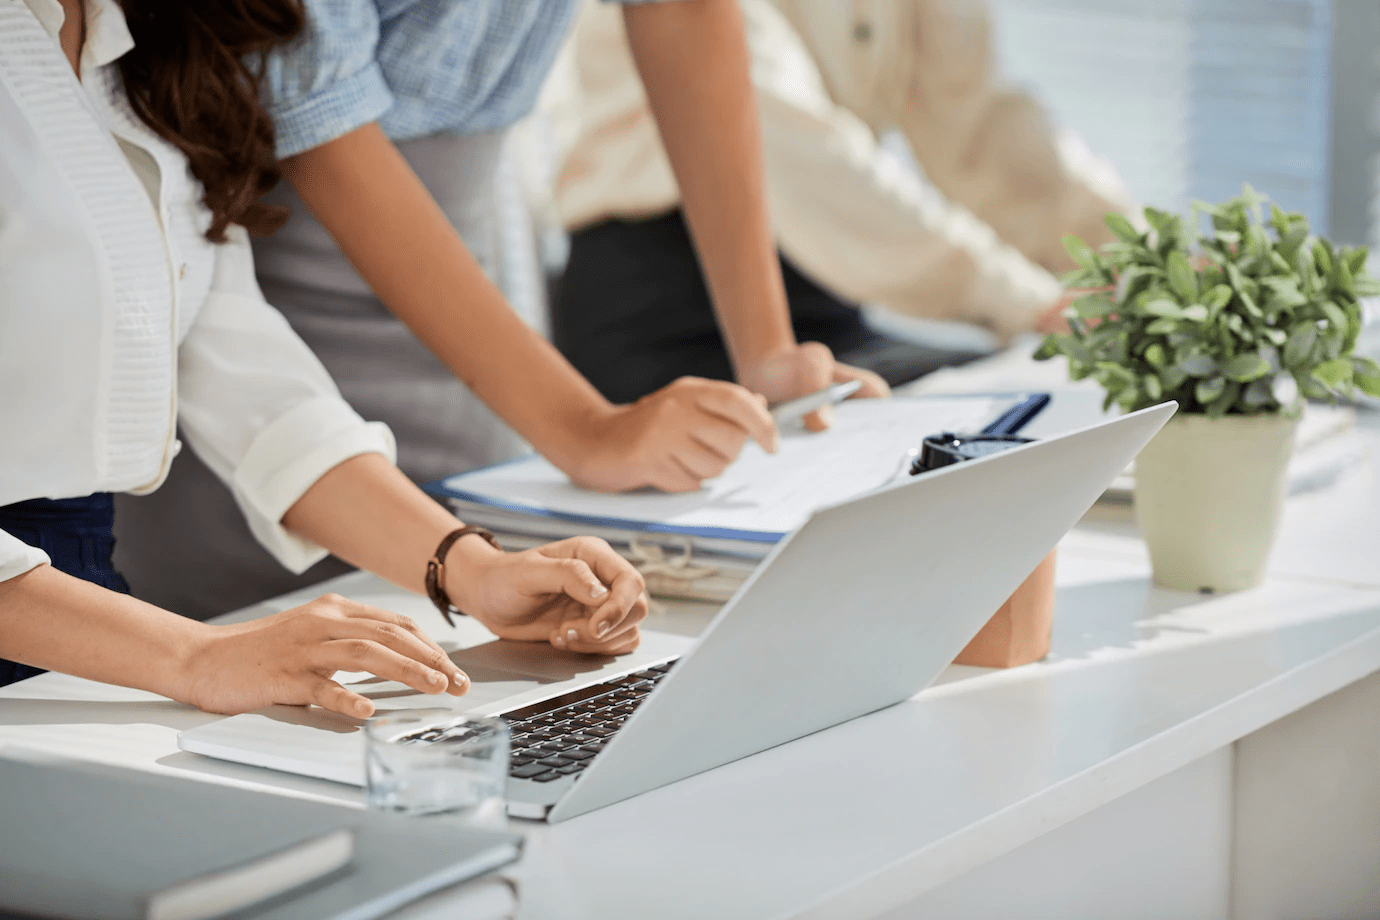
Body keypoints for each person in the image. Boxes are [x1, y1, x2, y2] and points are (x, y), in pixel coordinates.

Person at [112, 0, 889, 622]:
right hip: (267, 309)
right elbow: (319, 118)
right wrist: (583, 428)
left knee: (483, 668)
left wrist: (767, 352)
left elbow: (684, 9)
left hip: (467, 326)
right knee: (280, 685)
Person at [0, 0, 646, 715]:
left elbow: (250, 381)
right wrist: (196, 656)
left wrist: (470, 569)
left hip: (82, 621)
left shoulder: (133, 41)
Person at [547, 0, 1137, 402]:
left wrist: (1138, 262)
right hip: (662, 303)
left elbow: (978, 123)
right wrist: (1035, 305)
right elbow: (804, 152)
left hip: (828, 298)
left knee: (1024, 419)